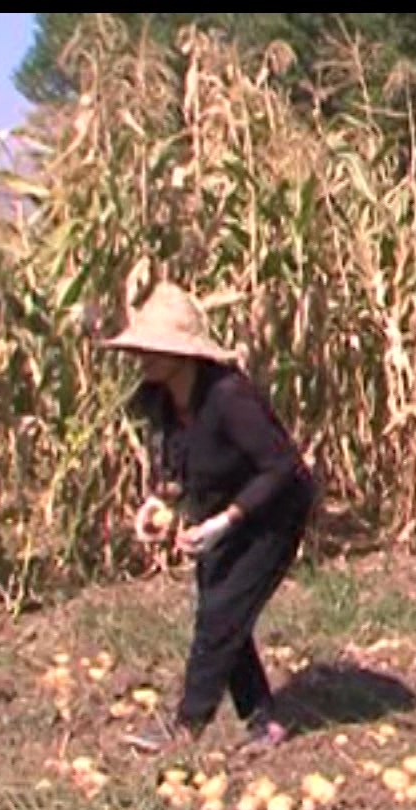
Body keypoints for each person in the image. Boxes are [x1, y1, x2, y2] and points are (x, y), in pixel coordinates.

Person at [104, 282, 317, 753]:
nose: (144, 358)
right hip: (224, 508)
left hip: (274, 510)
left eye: (155, 349)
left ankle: (187, 727)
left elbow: (282, 467)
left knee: (220, 613)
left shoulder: (228, 397)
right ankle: (264, 721)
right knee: (222, 611)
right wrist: (160, 503)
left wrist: (225, 521)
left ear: (185, 353)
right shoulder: (158, 398)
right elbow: (176, 465)